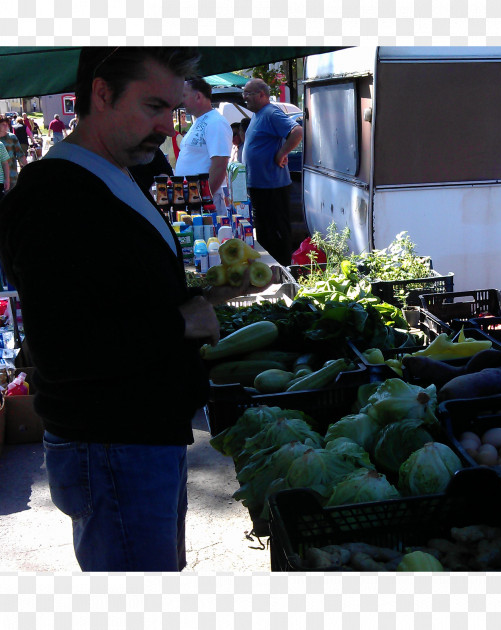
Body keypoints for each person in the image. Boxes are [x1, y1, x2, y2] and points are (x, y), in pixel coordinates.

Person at [0, 47, 283, 572]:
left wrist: (211, 295)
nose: (165, 126)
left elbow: (116, 297)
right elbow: (64, 348)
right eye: (153, 106)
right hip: (112, 447)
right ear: (101, 92)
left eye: (172, 110)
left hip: (142, 438)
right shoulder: (54, 199)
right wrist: (179, 321)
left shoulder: (118, 171)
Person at [241, 78, 303, 265]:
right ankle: (270, 270)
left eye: (248, 94)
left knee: (277, 234)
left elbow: (297, 131)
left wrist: (282, 153)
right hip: (261, 187)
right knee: (265, 233)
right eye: (243, 94)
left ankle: (282, 269)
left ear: (262, 94)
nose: (245, 98)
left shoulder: (270, 112)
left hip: (272, 188)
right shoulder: (259, 114)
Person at [174, 76, 231, 215]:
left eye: (184, 95)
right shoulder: (200, 121)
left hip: (204, 205)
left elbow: (219, 166)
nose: (182, 101)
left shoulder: (216, 122)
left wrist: (202, 199)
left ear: (198, 96)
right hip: (192, 201)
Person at [0, 117, 26, 188]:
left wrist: (28, 169)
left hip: (12, 176)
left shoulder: (12, 137)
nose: (6, 126)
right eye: (3, 124)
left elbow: (20, 155)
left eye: (7, 124)